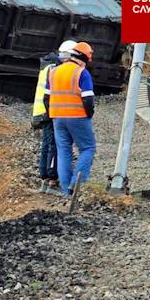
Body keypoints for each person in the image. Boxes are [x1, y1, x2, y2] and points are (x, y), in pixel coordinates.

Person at [44, 41, 96, 196]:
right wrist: (89, 114)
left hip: (57, 117)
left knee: (64, 151)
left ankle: (66, 191)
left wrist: (53, 114)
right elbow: (88, 99)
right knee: (88, 148)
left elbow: (46, 98)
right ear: (82, 58)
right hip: (77, 116)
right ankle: (76, 184)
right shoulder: (82, 73)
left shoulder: (54, 71)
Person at [32, 40, 77, 193]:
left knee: (47, 145)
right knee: (54, 146)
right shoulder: (56, 69)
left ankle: (45, 180)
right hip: (51, 112)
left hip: (43, 112)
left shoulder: (48, 66)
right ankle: (51, 181)